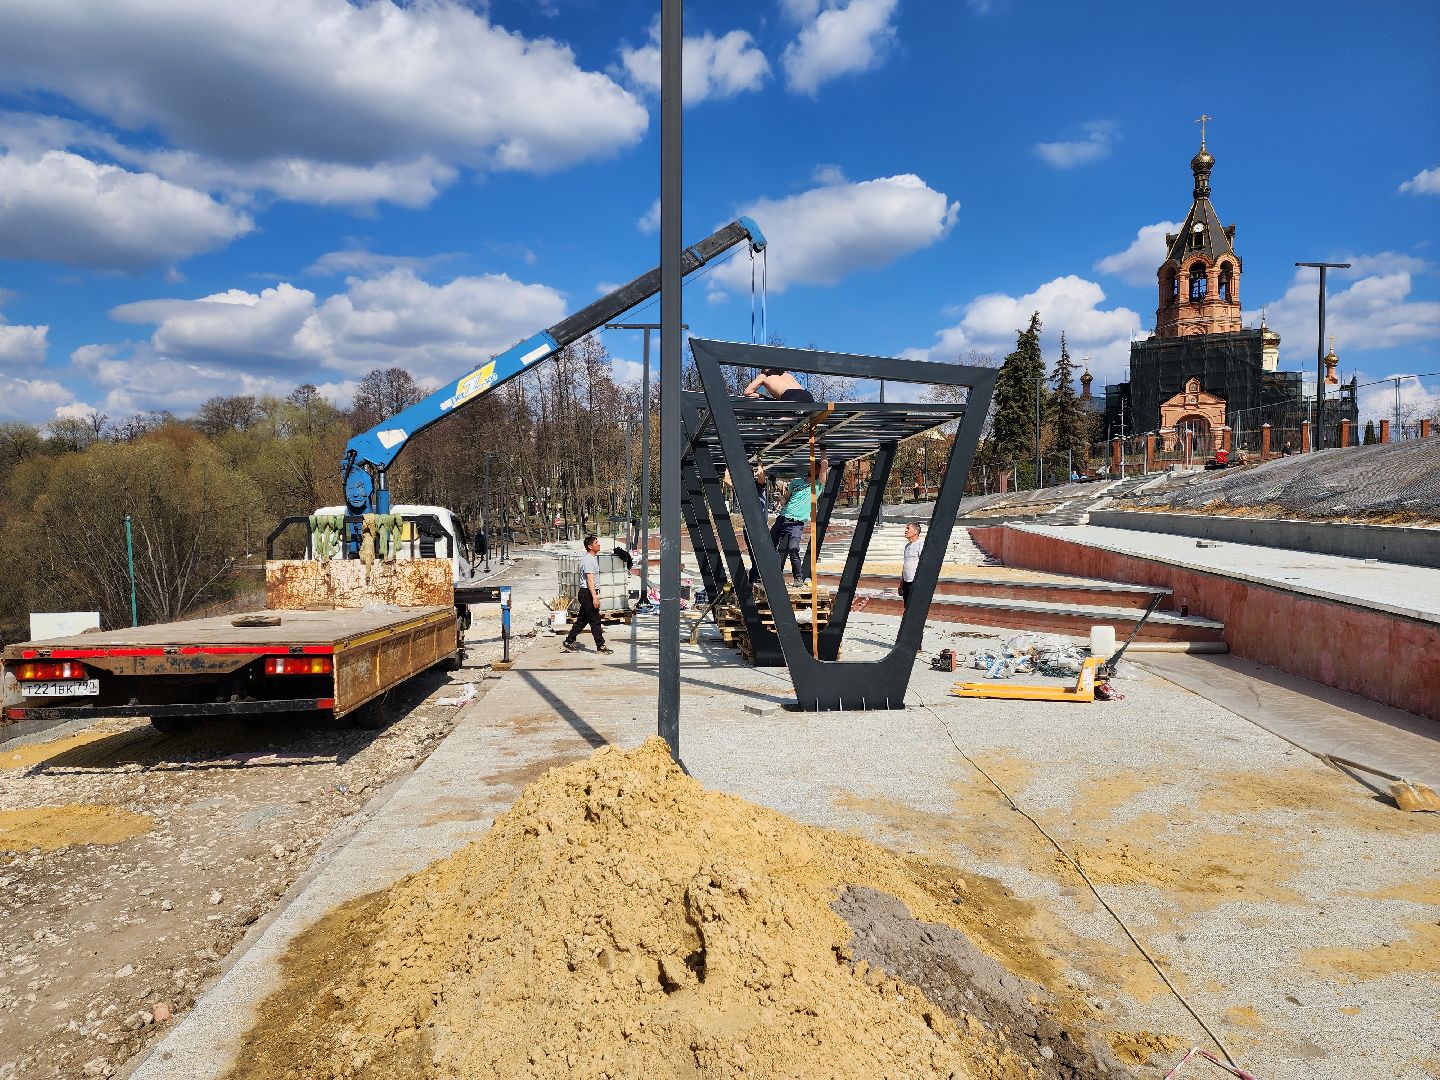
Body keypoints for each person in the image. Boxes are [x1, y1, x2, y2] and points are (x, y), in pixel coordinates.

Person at [754, 458, 828, 586]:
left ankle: (798, 577)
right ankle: (771, 574)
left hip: (797, 522)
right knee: (770, 545)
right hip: (783, 517)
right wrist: (780, 502)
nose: (813, 469)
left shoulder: (817, 485)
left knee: (793, 549)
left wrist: (823, 451)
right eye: (812, 467)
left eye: (816, 468)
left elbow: (824, 469)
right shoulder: (796, 481)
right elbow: (786, 497)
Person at [562, 535, 613, 654]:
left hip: (587, 593)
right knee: (595, 620)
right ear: (590, 546)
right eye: (596, 542)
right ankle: (600, 646)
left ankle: (569, 641)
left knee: (582, 620)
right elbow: (590, 580)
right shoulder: (589, 560)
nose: (599, 544)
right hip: (587, 594)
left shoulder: (590, 559)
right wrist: (594, 597)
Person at [743, 368, 814, 403]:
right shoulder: (787, 374)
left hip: (790, 395)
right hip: (806, 394)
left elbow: (747, 392)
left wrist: (763, 397)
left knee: (784, 422)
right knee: (811, 419)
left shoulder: (764, 376)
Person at [899, 521, 923, 610]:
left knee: (915, 608)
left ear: (916, 531)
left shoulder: (921, 544)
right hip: (906, 582)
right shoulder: (907, 546)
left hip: (915, 582)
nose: (905, 530)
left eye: (908, 528)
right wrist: (901, 584)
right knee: (907, 608)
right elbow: (905, 565)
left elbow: (923, 564)